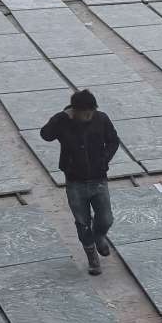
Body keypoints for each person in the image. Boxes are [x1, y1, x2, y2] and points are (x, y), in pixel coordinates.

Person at [40, 89, 121, 276]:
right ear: (74, 111)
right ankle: (92, 256)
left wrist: (104, 159)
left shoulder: (101, 119)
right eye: (84, 113)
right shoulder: (63, 122)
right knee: (83, 221)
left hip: (98, 179)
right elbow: (46, 135)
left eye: (91, 112)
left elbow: (113, 141)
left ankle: (99, 236)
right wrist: (61, 116)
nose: (88, 116)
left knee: (106, 218)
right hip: (75, 182)